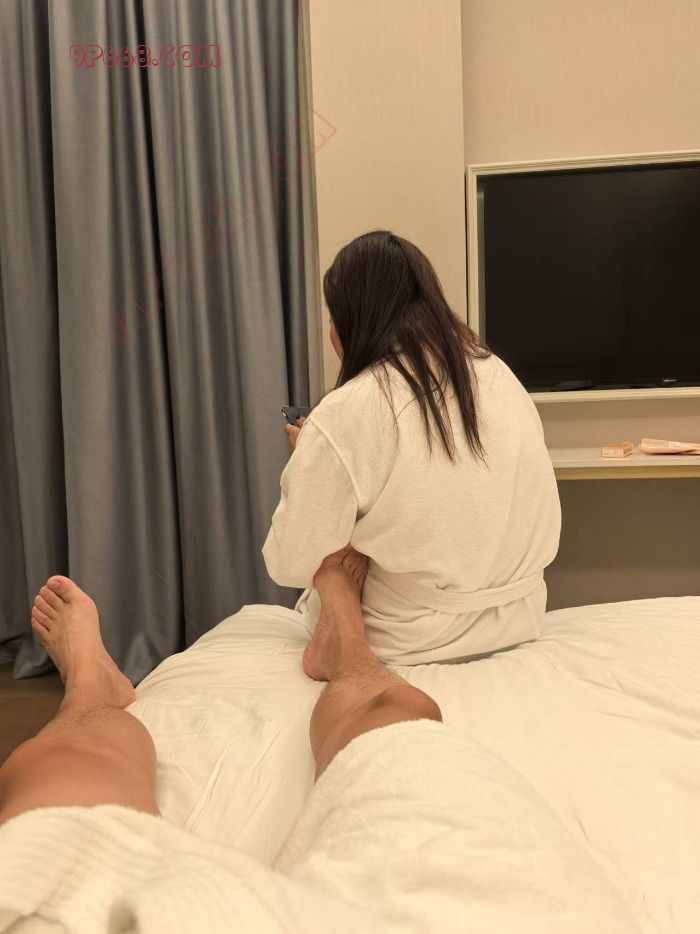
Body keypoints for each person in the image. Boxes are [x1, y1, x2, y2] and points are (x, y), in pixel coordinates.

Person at [263, 230, 561, 668]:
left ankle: (339, 632)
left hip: (407, 634)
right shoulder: (498, 372)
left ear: (350, 319)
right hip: (519, 617)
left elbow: (289, 562)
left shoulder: (350, 408)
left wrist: (312, 458)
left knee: (331, 558)